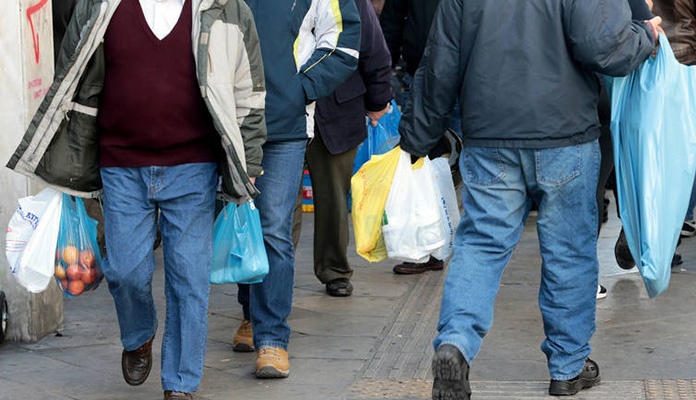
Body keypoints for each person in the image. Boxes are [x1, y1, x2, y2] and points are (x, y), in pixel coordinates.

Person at [395, 1, 660, 398]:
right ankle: (568, 367)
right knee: (569, 251)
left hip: (490, 134)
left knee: (481, 246)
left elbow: (441, 62)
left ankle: (456, 343)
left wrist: (418, 134)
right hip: (565, 133)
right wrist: (647, 35)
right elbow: (604, 47)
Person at [7, 0, 267, 398]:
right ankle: (139, 334)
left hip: (193, 166)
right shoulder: (99, 5)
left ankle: (180, 384)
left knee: (189, 279)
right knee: (125, 270)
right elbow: (70, 77)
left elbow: (248, 91)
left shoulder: (227, 8)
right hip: (121, 163)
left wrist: (248, 159)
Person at [232, 0, 361, 379]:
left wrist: (299, 88)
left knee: (273, 228)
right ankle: (250, 314)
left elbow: (343, 38)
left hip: (284, 127)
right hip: (227, 119)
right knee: (240, 220)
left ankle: (272, 337)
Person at [290, 0, 393, 298]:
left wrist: (378, 101)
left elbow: (373, 49)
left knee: (334, 195)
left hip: (336, 109)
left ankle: (334, 270)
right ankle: (275, 274)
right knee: (283, 201)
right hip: (288, 107)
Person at [378, 0, 460, 275]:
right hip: (424, 76)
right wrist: (381, 76)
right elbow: (391, 21)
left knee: (476, 164)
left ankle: (474, 250)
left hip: (471, 77)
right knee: (422, 163)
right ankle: (429, 248)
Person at [652, 0, 696, 238]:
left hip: (648, 59)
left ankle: (655, 220)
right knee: (687, 149)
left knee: (658, 149)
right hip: (686, 64)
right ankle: (679, 218)